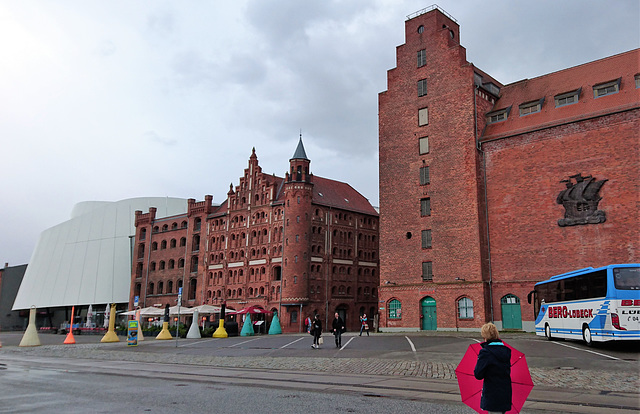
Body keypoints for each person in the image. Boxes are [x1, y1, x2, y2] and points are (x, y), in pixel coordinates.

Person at [473, 322, 512, 414]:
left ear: (485, 337)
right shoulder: (506, 351)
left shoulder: (486, 352)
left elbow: (478, 374)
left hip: (492, 394)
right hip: (505, 393)